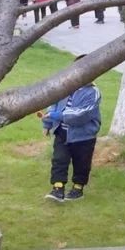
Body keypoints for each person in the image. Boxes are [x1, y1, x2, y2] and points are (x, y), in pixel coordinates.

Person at [40, 57, 102, 202]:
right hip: (62, 132)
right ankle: (58, 188)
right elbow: (53, 105)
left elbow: (81, 114)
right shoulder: (65, 86)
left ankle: (78, 188)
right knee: (59, 160)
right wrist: (47, 124)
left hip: (84, 136)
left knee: (82, 163)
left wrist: (58, 115)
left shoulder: (93, 92)